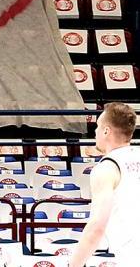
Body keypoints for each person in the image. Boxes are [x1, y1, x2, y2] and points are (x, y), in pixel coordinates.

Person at [69, 102, 139, 267]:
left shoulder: (107, 168)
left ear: (106, 131)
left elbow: (97, 228)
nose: (95, 131)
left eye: (98, 126)